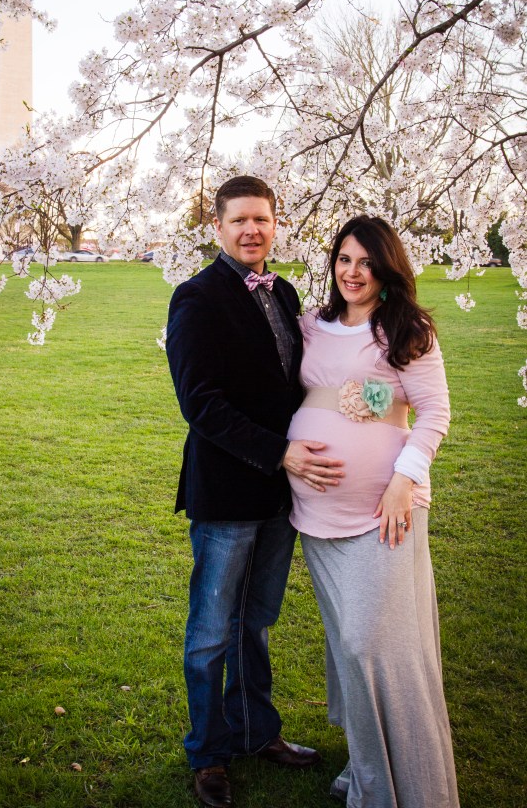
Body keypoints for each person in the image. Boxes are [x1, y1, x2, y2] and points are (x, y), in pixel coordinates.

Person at [166, 175, 344, 808]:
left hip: (280, 495)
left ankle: (254, 731)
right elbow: (200, 403)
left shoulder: (286, 291)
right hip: (227, 493)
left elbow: (298, 384)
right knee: (212, 630)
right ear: (217, 227)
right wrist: (279, 452)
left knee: (257, 623)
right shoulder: (196, 298)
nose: (251, 231)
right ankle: (208, 754)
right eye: (239, 220)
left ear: (276, 224)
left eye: (262, 220)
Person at [287, 215, 459, 808]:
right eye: (343, 260)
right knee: (346, 646)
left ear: (386, 269)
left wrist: (401, 483)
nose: (352, 273)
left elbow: (432, 411)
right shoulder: (314, 324)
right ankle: (364, 766)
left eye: (365, 262)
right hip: (315, 515)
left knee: (372, 645)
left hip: (385, 510)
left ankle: (403, 783)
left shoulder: (407, 329)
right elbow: (325, 391)